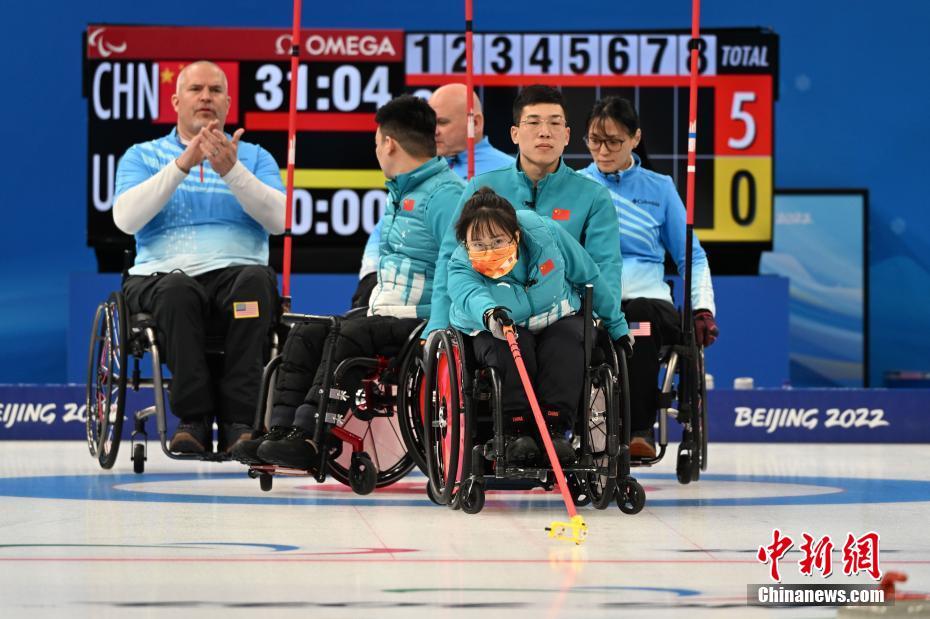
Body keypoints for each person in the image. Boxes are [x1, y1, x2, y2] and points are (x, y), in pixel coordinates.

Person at [231, 95, 465, 469]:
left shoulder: (445, 195)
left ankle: (312, 436)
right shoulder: (401, 191)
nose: (377, 150)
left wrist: (435, 329)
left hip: (418, 322)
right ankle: (280, 432)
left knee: (349, 333)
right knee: (307, 332)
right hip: (385, 313)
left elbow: (456, 268)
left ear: (389, 143)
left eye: (376, 143)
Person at [112, 61, 285, 454]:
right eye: (195, 89)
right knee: (178, 291)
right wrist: (181, 166)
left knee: (255, 283)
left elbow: (279, 221)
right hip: (161, 279)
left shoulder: (255, 157)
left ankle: (240, 421)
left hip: (237, 284)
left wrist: (232, 171)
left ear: (228, 103)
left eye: (215, 90)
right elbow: (126, 219)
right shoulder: (142, 156)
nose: (206, 97)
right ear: (176, 101)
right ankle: (193, 420)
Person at [423, 85, 627, 359]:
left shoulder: (593, 196)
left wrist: (607, 324)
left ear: (567, 135)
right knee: (503, 348)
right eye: (533, 122)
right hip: (497, 312)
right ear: (515, 134)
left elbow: (603, 267)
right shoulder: (480, 188)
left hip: (564, 314)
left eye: (554, 123)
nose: (545, 132)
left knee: (565, 346)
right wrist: (436, 327)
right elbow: (452, 260)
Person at [579, 96, 719, 458]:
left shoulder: (660, 188)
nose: (603, 151)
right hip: (592, 301)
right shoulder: (577, 187)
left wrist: (702, 308)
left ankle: (638, 431)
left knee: (636, 322)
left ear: (635, 138)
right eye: (595, 141)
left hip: (647, 304)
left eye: (614, 142)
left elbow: (692, 256)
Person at [448, 188, 631, 464]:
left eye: (498, 241)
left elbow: (589, 275)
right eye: (479, 244)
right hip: (496, 324)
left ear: (516, 235)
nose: (490, 251)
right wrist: (490, 314)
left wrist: (617, 326)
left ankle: (555, 430)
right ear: (465, 243)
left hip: (556, 316)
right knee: (511, 343)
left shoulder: (546, 234)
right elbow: (470, 295)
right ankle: (515, 432)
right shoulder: (460, 264)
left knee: (567, 341)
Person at [352, 84, 513, 308]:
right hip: (390, 287)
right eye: (432, 122)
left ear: (474, 123)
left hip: (440, 299)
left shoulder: (509, 173)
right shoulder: (417, 167)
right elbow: (387, 230)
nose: (433, 130)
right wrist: (370, 274)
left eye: (443, 122)